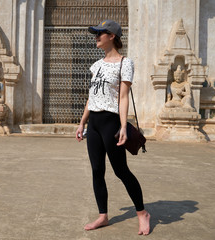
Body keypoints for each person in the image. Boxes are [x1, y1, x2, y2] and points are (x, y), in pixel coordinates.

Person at [75, 20, 151, 235]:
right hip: (94, 124)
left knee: (120, 170)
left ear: (112, 36)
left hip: (111, 122)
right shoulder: (96, 65)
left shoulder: (125, 63)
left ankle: (142, 213)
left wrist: (124, 126)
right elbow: (92, 96)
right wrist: (82, 123)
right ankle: (103, 216)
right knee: (97, 170)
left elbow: (123, 97)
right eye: (96, 33)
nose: (96, 36)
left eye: (100, 33)